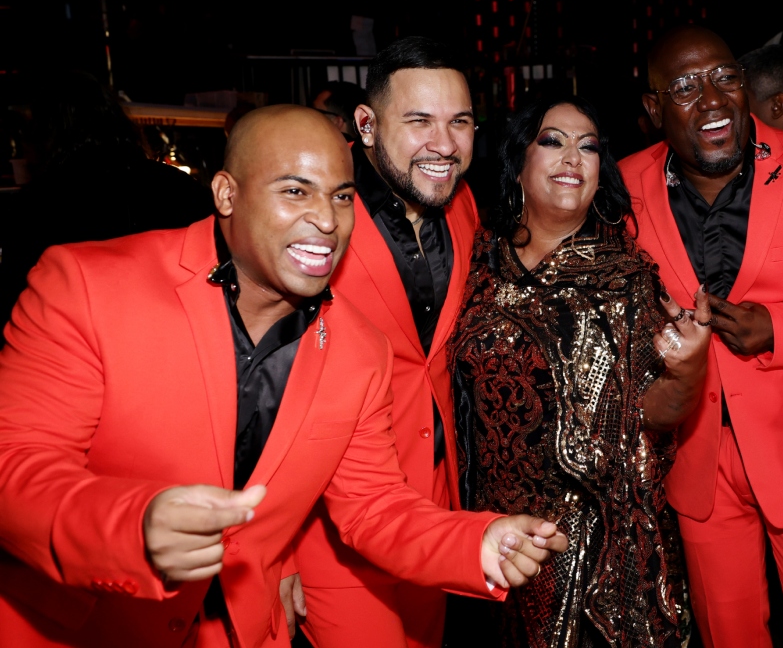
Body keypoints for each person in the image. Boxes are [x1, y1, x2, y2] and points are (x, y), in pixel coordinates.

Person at [0, 105, 566, 648]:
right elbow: (15, 467)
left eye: (342, 196)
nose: (326, 219)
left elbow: (373, 506)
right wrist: (134, 529)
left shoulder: (359, 349)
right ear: (227, 194)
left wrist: (475, 542)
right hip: (78, 629)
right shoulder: (86, 286)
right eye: (295, 190)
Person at [621, 25, 783, 648]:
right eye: (684, 86)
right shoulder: (619, 187)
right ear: (653, 109)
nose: (711, 99)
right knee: (727, 635)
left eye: (725, 77)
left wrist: (781, 331)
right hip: (695, 458)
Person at [450, 95, 706, 647]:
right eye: (553, 141)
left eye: (589, 146)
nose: (573, 157)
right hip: (489, 534)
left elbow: (652, 417)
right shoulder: (472, 263)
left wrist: (687, 369)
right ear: (518, 163)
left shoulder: (627, 278)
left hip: (597, 543)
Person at [287, 37, 480, 648]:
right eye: (419, 121)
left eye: (460, 122)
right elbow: (261, 379)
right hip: (327, 527)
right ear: (365, 125)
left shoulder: (464, 205)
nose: (444, 144)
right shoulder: (316, 214)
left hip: (433, 513)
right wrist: (277, 552)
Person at [0, 70, 212, 332]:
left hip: (79, 343)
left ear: (43, 135)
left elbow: (18, 302)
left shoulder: (35, 204)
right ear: (116, 120)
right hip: (176, 332)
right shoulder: (177, 186)